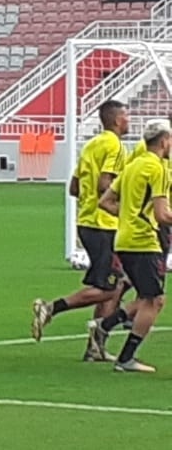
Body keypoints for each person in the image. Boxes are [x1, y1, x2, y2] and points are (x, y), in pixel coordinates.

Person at [31, 99, 129, 360]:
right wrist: (124, 204)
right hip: (104, 223)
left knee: (114, 282)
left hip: (86, 222)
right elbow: (104, 184)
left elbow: (74, 188)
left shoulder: (92, 145)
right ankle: (51, 308)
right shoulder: (115, 146)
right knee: (110, 287)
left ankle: (96, 347)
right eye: (126, 117)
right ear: (118, 120)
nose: (128, 121)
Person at [94, 118, 172, 372]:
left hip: (124, 239)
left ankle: (103, 327)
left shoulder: (132, 165)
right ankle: (126, 358)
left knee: (146, 297)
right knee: (155, 301)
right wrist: (142, 220)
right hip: (144, 242)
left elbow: (105, 201)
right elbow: (163, 215)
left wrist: (128, 216)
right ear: (164, 141)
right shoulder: (156, 169)